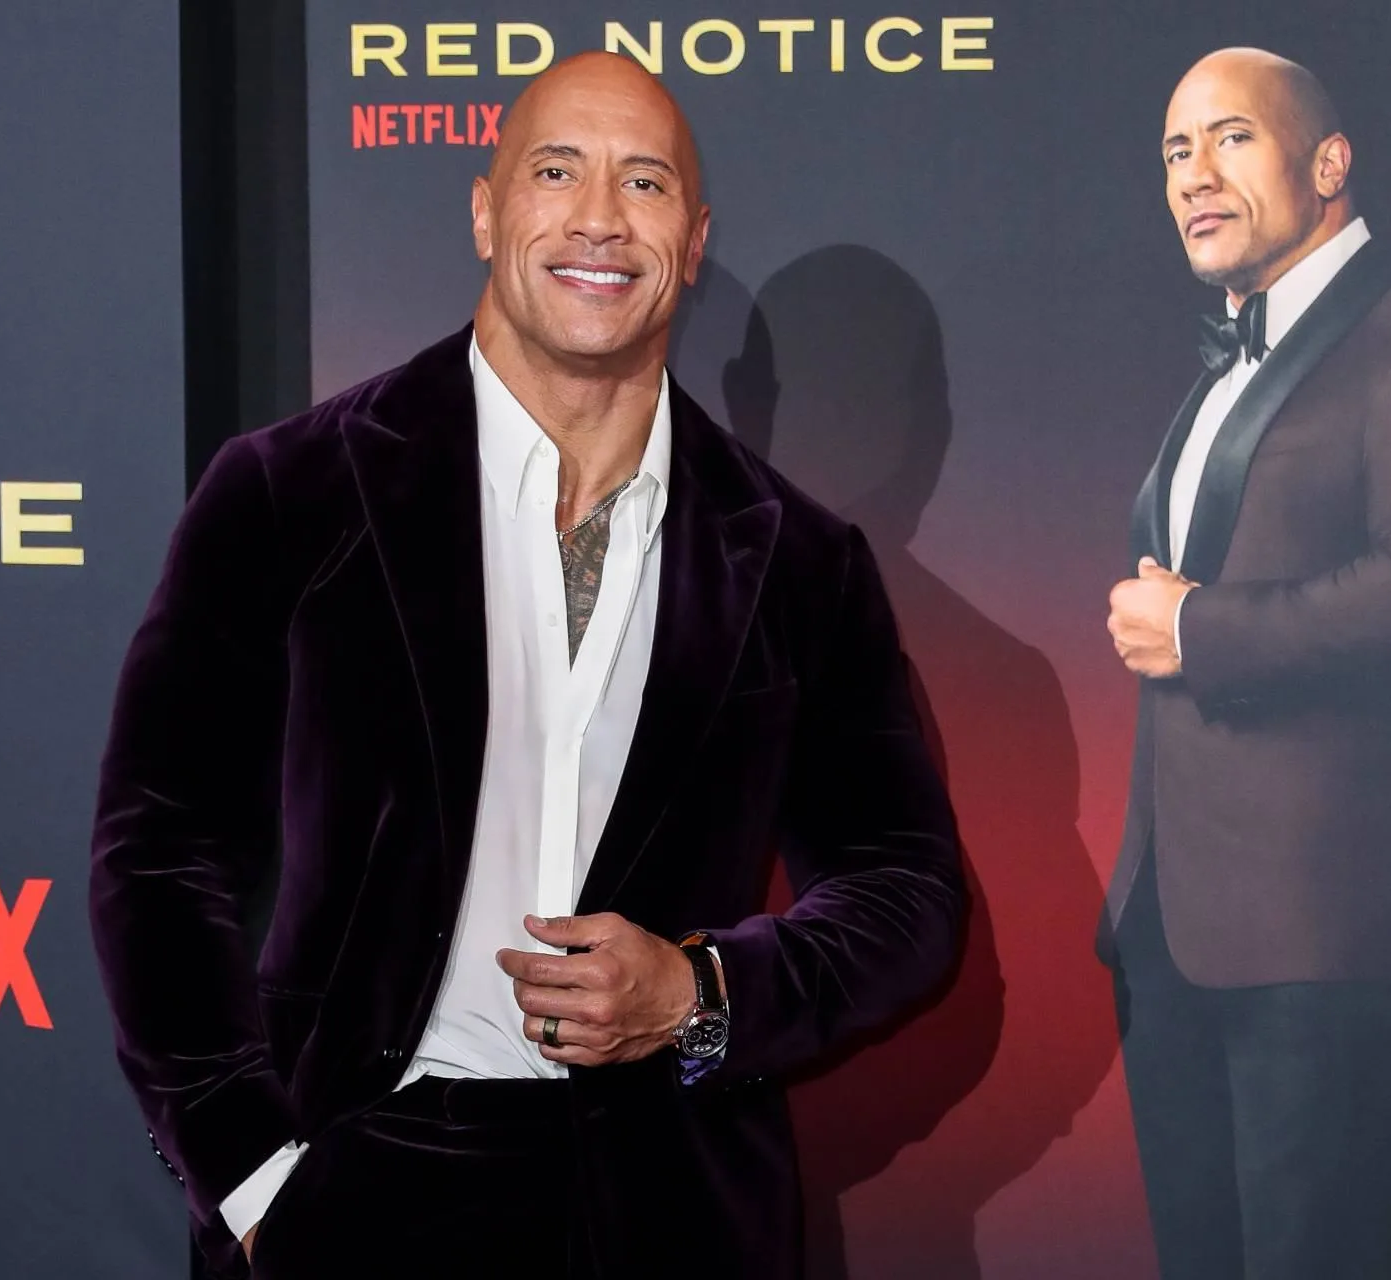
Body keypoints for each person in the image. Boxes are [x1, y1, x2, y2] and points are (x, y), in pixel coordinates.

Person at [90, 51, 963, 1280]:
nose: (600, 217)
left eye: (644, 182)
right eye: (557, 171)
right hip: (359, 1184)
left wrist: (699, 991)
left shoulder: (800, 561)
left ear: (694, 241)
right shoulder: (292, 491)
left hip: (679, 1210)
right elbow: (158, 851)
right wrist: (254, 1179)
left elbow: (905, 888)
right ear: (486, 210)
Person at [1097, 47, 1391, 1279]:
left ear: (1328, 164)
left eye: (1230, 138)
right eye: (1175, 150)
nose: (1193, 175)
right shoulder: (1237, 353)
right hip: (1180, 934)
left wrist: (1199, 629)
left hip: (1334, 936)